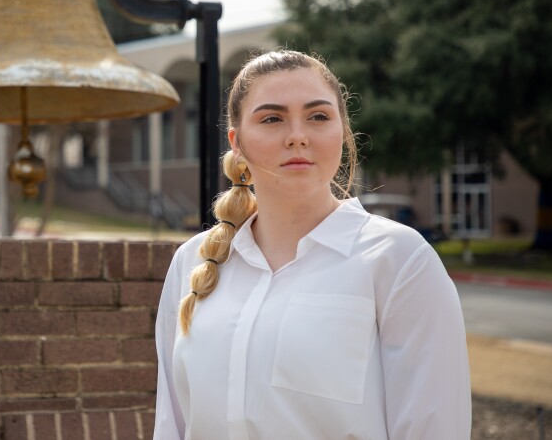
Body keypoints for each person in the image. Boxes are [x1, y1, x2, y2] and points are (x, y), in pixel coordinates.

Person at [153, 50, 471, 439]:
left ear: (342, 131)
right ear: (237, 143)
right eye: (272, 118)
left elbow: (434, 428)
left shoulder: (399, 260)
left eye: (318, 116)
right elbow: (171, 426)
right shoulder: (194, 261)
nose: (298, 136)